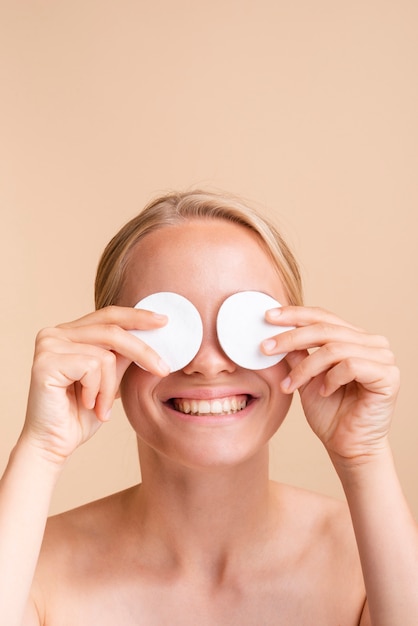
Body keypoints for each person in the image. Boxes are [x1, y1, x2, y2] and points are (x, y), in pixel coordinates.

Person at [0, 189, 417, 626]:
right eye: (169, 329)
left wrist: (365, 455)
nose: (209, 363)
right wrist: (41, 448)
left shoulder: (368, 565)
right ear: (109, 351)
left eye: (246, 325)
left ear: (303, 343)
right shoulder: (34, 570)